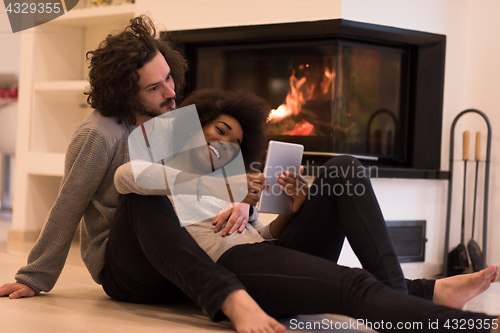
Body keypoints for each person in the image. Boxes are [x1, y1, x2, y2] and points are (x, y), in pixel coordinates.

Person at [0, 14, 496, 333]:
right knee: (139, 192)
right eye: (155, 88)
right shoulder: (100, 135)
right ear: (124, 92)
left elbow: (201, 206)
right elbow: (71, 203)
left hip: (201, 250)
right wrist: (35, 275)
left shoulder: (173, 125)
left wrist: (262, 204)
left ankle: (410, 299)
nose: (170, 91)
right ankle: (413, 305)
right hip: (128, 258)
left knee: (340, 173)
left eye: (169, 76)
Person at [114, 88, 500, 333]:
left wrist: (292, 212)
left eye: (235, 142)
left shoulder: (226, 194)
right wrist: (222, 186)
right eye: (219, 129)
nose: (226, 145)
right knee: (352, 286)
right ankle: (467, 324)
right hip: (236, 267)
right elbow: (127, 177)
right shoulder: (164, 179)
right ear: (193, 125)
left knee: (344, 168)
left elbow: (261, 238)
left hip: (261, 255)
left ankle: (403, 301)